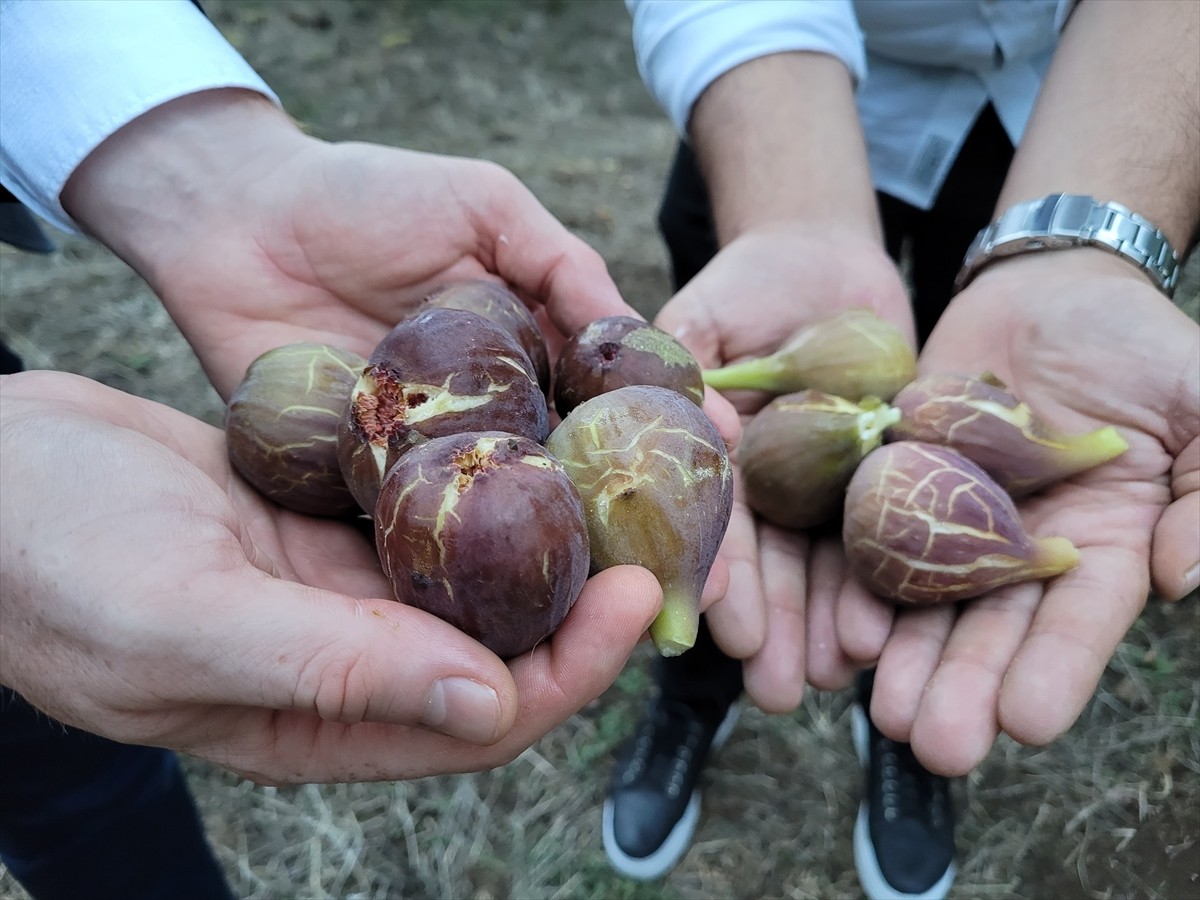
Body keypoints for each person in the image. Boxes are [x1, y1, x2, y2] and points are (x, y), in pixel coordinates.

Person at [0, 2, 739, 897]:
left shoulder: (464, 418)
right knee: (63, 793)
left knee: (83, 794)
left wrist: (230, 174)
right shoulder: (413, 440)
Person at [604, 1, 1200, 897]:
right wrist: (791, 214)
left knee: (860, 610)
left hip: (1055, 117)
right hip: (769, 96)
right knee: (716, 515)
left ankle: (901, 742)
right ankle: (690, 696)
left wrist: (1091, 253)